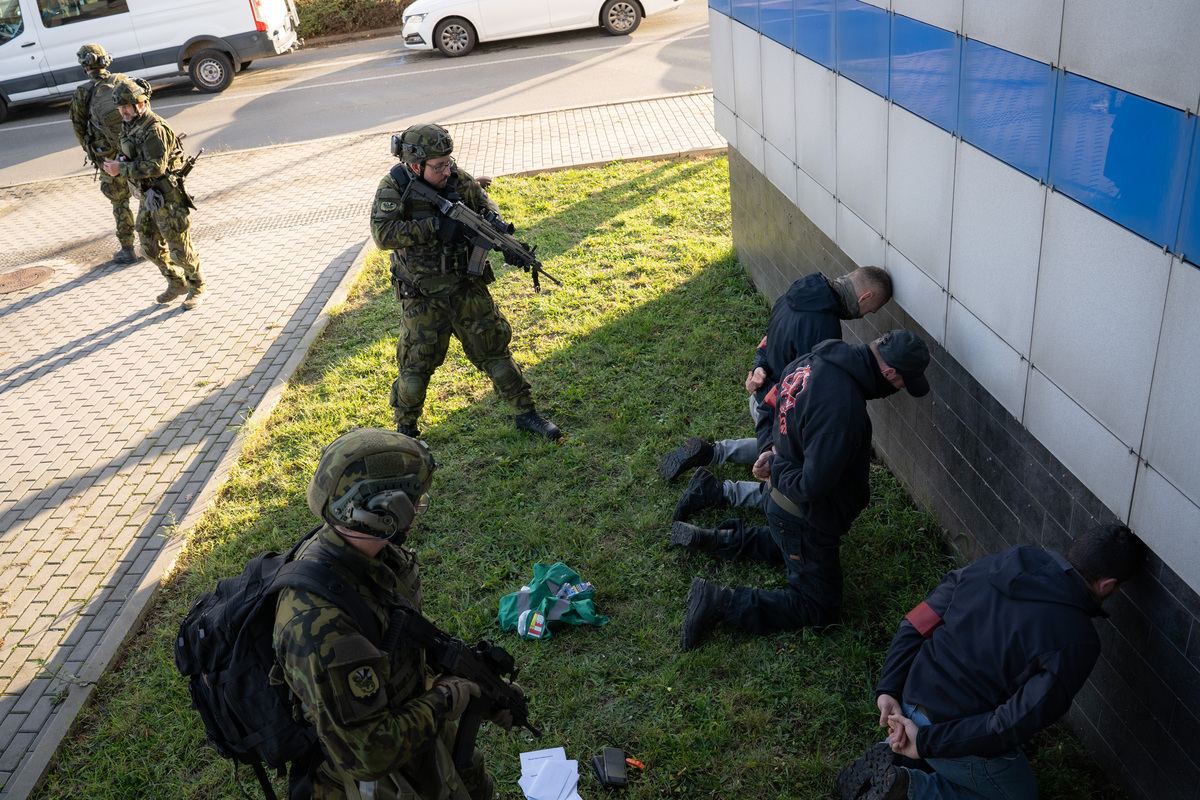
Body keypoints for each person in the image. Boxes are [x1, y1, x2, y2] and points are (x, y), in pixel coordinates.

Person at [274, 428, 509, 800]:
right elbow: (368, 753)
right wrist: (446, 698)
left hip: (415, 735)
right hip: (370, 783)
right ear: (385, 511)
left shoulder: (370, 554)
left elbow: (395, 637)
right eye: (414, 501)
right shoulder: (321, 625)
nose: (418, 509)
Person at [836, 524, 1146, 800]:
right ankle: (908, 787)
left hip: (909, 698)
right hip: (943, 734)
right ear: (1107, 585)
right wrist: (927, 742)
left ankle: (900, 755)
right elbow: (1009, 725)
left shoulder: (1000, 562)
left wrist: (889, 688)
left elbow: (916, 624)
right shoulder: (1078, 641)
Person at [675, 329, 930, 652]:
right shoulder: (843, 408)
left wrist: (769, 450)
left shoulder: (814, 359)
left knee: (790, 545)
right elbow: (811, 485)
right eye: (900, 384)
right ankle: (721, 602)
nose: (897, 390)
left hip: (781, 504)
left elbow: (769, 404)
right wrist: (776, 466)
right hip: (800, 511)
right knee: (818, 606)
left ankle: (714, 538)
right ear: (889, 373)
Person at [370, 123, 561, 441]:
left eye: (448, 161)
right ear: (416, 165)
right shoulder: (394, 185)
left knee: (496, 354)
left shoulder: (458, 179)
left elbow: (483, 203)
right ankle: (406, 430)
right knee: (415, 370)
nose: (447, 170)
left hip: (466, 288)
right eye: (438, 166)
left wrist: (494, 226)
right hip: (423, 295)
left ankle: (527, 414)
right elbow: (382, 234)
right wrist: (433, 225)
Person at [661, 267, 892, 520]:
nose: (864, 316)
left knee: (774, 453)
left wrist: (758, 366)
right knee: (790, 478)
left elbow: (768, 339)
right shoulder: (823, 325)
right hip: (776, 409)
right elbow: (805, 389)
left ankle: (712, 452)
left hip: (760, 399)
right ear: (865, 297)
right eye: (870, 310)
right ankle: (720, 491)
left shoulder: (800, 293)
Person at [102, 79, 207, 310]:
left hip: (167, 197)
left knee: (179, 247)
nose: (123, 111)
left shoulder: (155, 128)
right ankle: (176, 282)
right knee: (149, 246)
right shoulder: (130, 124)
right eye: (120, 107)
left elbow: (156, 167)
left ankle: (197, 287)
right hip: (149, 195)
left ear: (141, 103)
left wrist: (121, 169)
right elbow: (128, 153)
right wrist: (119, 163)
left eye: (127, 106)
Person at [69, 43, 139, 265]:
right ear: (107, 61)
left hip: (109, 158)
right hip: (136, 152)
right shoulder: (124, 80)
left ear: (84, 66)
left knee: (120, 204)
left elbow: (79, 129)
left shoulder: (82, 93)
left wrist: (96, 154)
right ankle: (156, 244)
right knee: (149, 197)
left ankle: (128, 250)